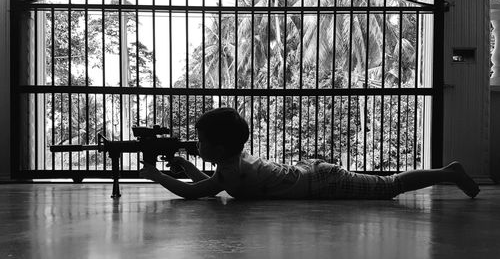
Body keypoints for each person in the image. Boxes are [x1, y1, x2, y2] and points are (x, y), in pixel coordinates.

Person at [139, 107, 480, 200]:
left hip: (322, 182)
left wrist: (155, 173)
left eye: (201, 142)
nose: (197, 146)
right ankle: (448, 172)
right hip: (314, 175)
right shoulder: (232, 164)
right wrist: (184, 167)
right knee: (387, 184)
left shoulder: (232, 170)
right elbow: (209, 185)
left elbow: (193, 192)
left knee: (389, 186)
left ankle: (449, 173)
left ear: (221, 147)